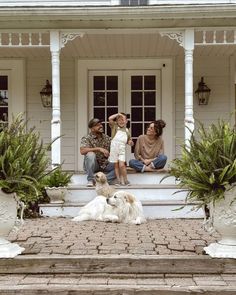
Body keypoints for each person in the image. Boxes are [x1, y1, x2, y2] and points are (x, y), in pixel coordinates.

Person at [80, 118, 116, 187]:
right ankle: (90, 179)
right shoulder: (87, 138)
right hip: (93, 165)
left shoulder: (106, 138)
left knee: (120, 165)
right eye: (97, 125)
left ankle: (101, 181)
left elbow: (114, 147)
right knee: (90, 154)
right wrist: (99, 149)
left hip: (105, 164)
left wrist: (110, 153)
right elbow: (82, 151)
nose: (101, 126)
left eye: (101, 124)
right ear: (92, 128)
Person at [108, 112, 134, 186]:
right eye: (119, 120)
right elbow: (110, 118)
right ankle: (119, 181)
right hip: (114, 148)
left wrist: (130, 142)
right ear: (116, 121)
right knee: (116, 165)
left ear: (126, 121)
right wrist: (118, 114)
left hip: (122, 148)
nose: (121, 121)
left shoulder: (126, 130)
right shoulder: (114, 126)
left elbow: (129, 140)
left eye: (123, 120)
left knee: (122, 165)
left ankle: (125, 180)